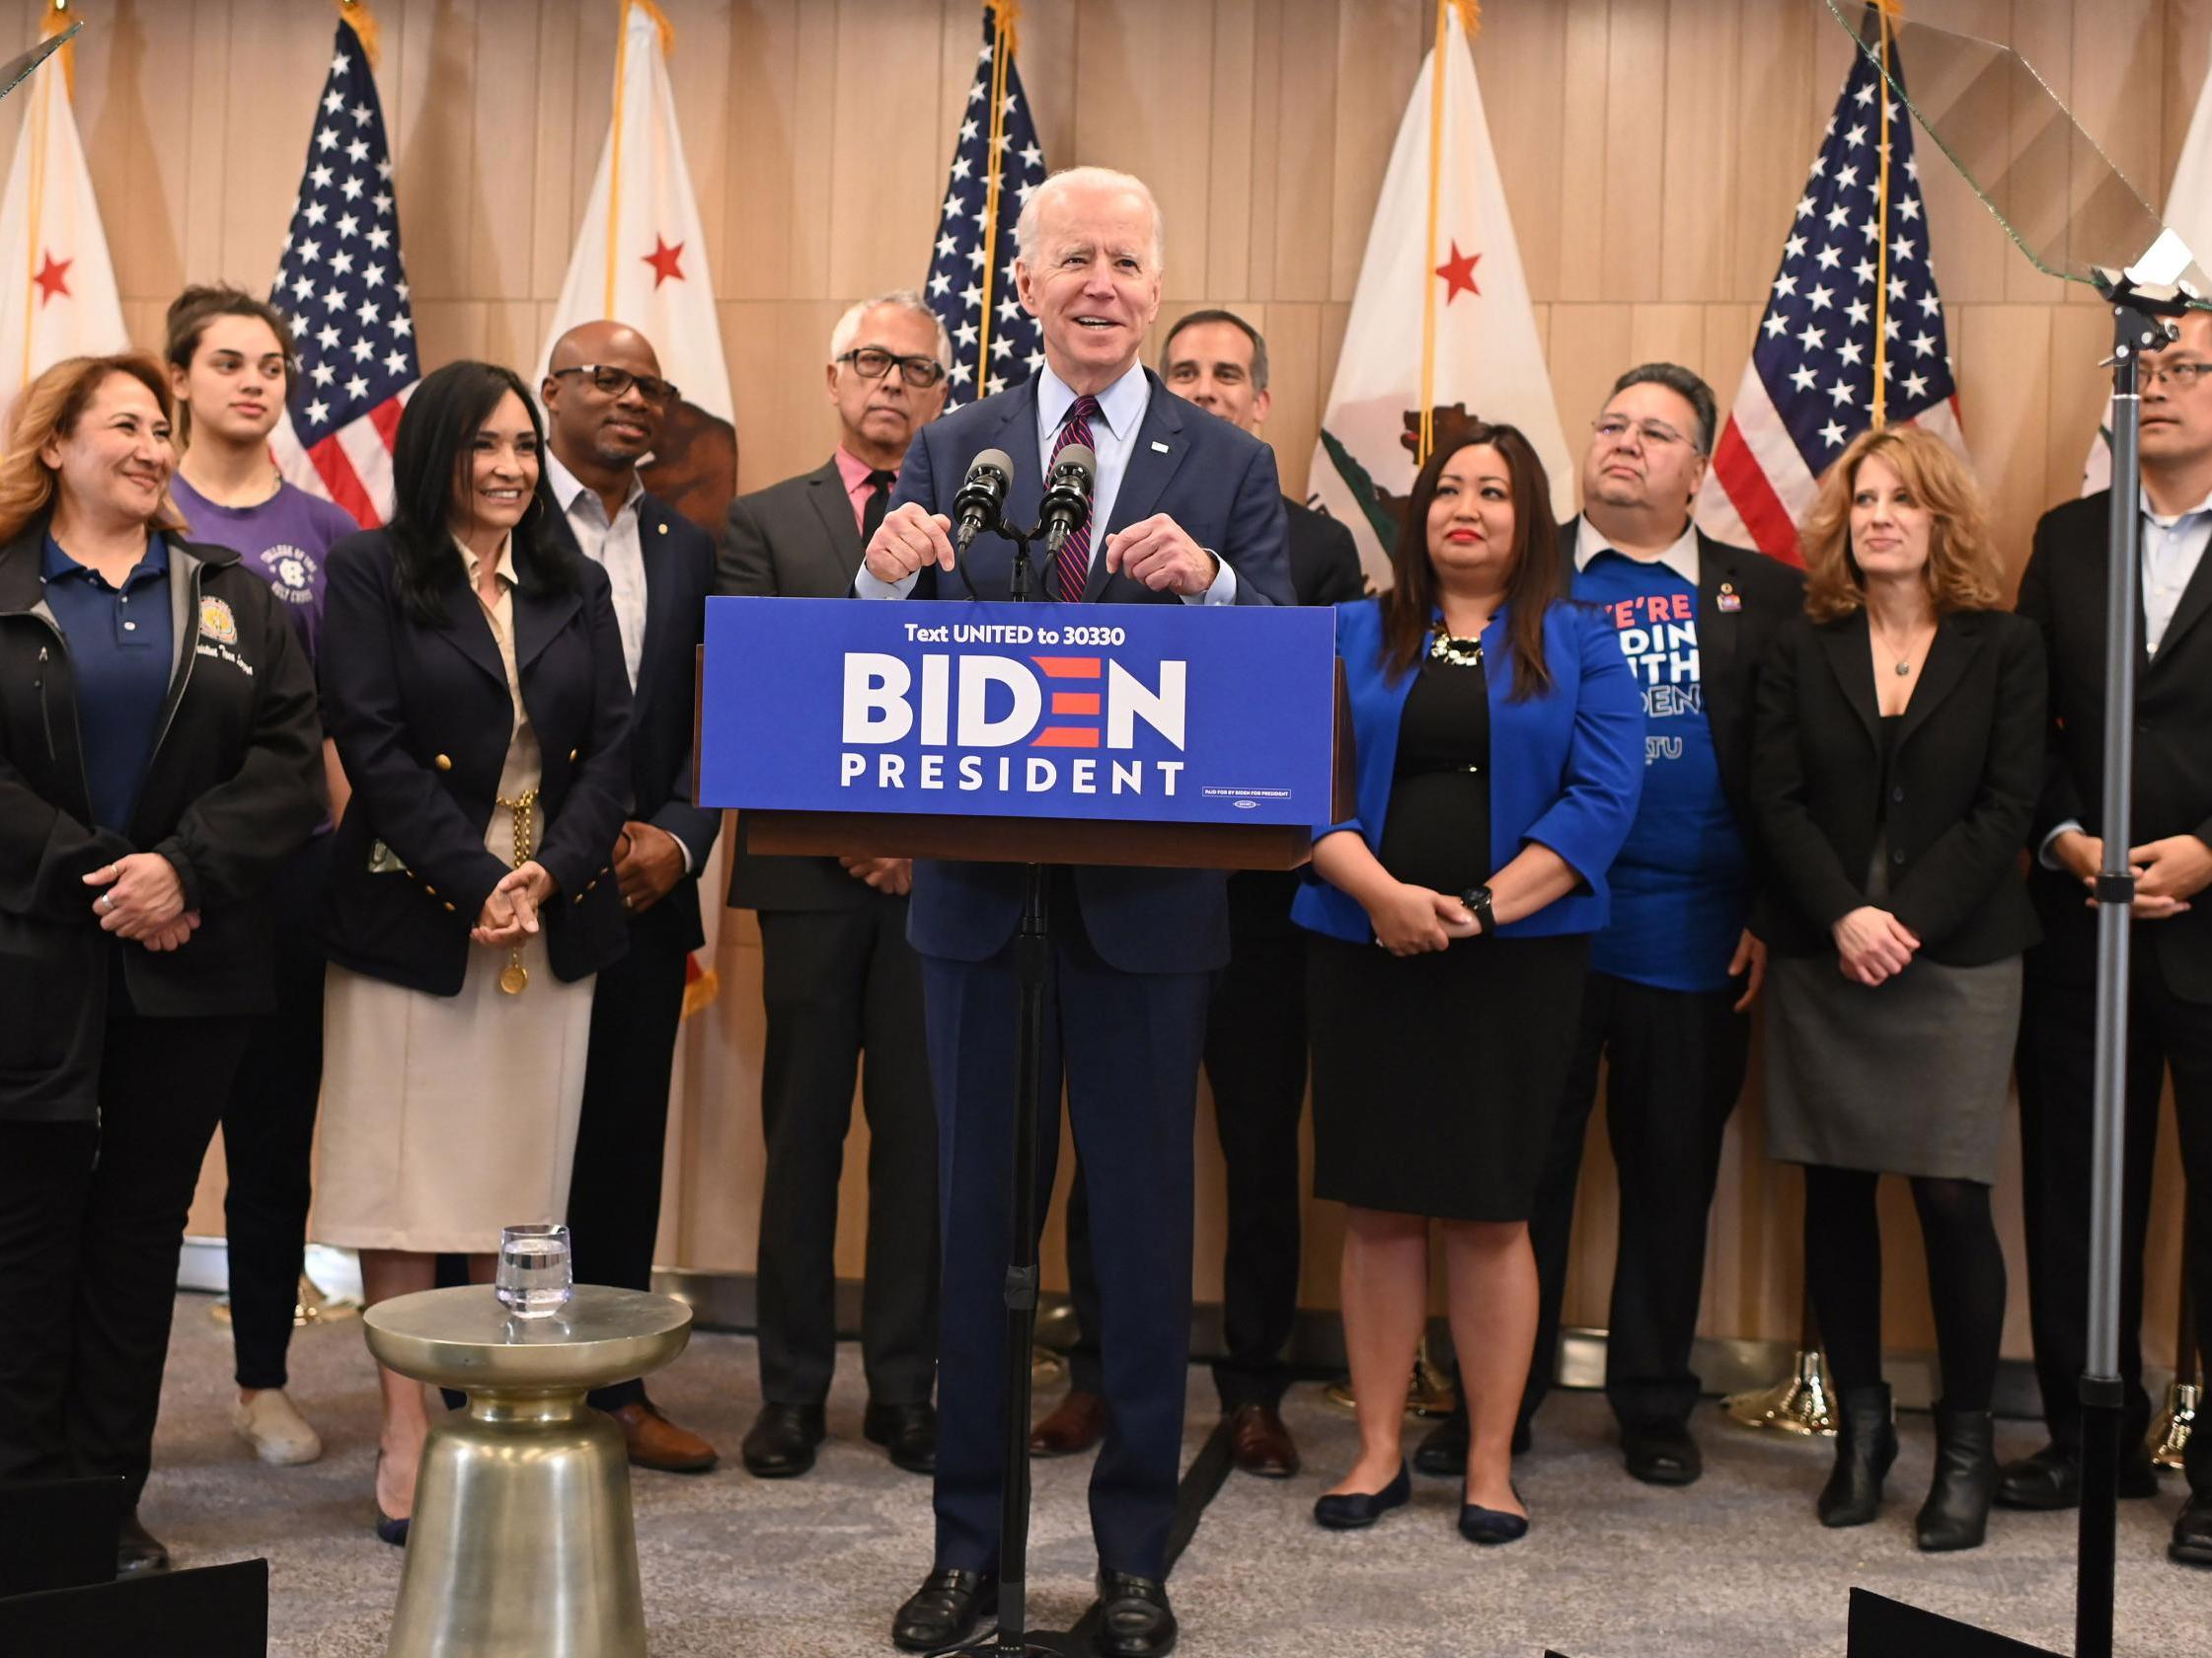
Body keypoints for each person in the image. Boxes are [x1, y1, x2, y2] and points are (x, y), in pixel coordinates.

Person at [859, 166, 1291, 1656]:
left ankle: (1132, 1566)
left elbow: (1286, 677)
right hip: (981, 908)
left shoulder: (1225, 464)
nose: (1100, 284)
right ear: (1025, 286)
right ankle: (967, 1554)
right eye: (1072, 261)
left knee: (1143, 1233)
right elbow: (879, 670)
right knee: (975, 1227)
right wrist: (878, 578)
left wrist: (1223, 588)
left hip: (1151, 916)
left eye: (1125, 262)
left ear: (1154, 292)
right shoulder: (952, 446)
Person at [1413, 366, 1803, 1488]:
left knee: (1672, 1173)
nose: (1624, 444)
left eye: (1655, 432)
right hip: (1532, 923)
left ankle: (1652, 1400)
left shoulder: (1762, 597)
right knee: (1512, 1176)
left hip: (1694, 931)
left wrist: (1774, 912)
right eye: (1610, 422)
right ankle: (1497, 1400)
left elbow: (1796, 772)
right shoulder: (1525, 578)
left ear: (1701, 468)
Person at [0, 353, 325, 1574]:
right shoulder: (5, 586)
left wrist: (184, 870)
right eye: (123, 424)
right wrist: (112, 880)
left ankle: (102, 1505)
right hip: (31, 959)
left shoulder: (235, 594)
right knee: (26, 1238)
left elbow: (292, 766)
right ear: (54, 446)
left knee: (137, 1241)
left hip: (193, 972)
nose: (149, 444)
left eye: (158, 427)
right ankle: (20, 1502)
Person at [1296, 423, 1642, 1548]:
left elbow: (1603, 801)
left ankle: (1490, 1462)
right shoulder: (1353, 629)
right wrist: (1382, 896)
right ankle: (1380, 1448)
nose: (1470, 507)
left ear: (1528, 520)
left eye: (1496, 492)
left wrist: (1485, 907)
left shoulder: (1583, 642)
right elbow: (1307, 783)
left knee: (1495, 1211)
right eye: (1450, 488)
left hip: (1520, 959)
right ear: (1418, 513)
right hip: (1364, 946)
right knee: (1382, 1206)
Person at [1034, 308, 1362, 1480]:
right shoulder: (1080, 521)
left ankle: (1255, 1391)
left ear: (1260, 403)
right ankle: (1094, 1376)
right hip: (1119, 886)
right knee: (1109, 1140)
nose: (1208, 389)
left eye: (1230, 374)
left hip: (1263, 907)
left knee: (1258, 1149)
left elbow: (1309, 708)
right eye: (1187, 371)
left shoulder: (1314, 546)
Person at [315, 360, 634, 1544]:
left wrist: (547, 874)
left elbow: (614, 750)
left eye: (520, 446)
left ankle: (504, 1414)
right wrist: (478, 878)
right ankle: (408, 1432)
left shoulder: (575, 579)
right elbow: (373, 740)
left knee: (518, 1188)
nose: (507, 468)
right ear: (436, 457)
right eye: (481, 447)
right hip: (413, 916)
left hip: (548, 924)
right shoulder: (369, 571)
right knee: (403, 1189)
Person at [1751, 425, 2042, 1551]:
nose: (1878, 516)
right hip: (1828, 948)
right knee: (1834, 1190)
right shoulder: (1801, 640)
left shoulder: (2004, 645)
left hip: (1958, 956)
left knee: (1952, 1199)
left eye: (1903, 501)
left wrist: (1906, 920)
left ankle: (1963, 1449)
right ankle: (1860, 1436)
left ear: (1942, 521)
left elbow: (2007, 808)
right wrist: (1844, 914)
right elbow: (1770, 797)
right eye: (1863, 500)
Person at [717, 291, 946, 1482]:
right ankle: (791, 1392)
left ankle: (905, 1391)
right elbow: (768, 689)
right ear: (832, 376)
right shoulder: (764, 523)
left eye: (917, 368)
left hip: (942, 891)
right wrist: (858, 831)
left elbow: (987, 693)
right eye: (873, 362)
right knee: (801, 1139)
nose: (893, 384)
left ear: (944, 393)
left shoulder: (981, 522)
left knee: (919, 1142)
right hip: (810, 876)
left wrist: (912, 842)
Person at [2010, 310, 2212, 1568]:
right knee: (2081, 1186)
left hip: (2210, 912)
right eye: (2148, 370)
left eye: (2190, 368)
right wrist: (2064, 836)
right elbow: (2023, 724)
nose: (2166, 386)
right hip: (2084, 918)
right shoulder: (2066, 539)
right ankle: (2096, 1437)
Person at [162, 283, 361, 1470]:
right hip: (158, 876)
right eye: (228, 361)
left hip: (288, 874)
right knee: (148, 1140)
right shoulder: (145, 507)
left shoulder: (325, 532)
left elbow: (336, 717)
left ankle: (261, 1379)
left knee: (274, 1134)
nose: (253, 380)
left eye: (272, 363)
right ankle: (102, 1382)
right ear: (178, 377)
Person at [540, 322, 723, 1473]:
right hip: (508, 887)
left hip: (642, 891)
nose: (634, 401)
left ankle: (613, 1388)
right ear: (549, 390)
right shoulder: (497, 518)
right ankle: (491, 1376)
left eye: (652, 387)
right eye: (607, 378)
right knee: (512, 1146)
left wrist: (686, 838)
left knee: (618, 1147)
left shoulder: (687, 544)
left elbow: (724, 713)